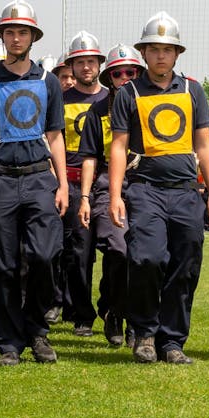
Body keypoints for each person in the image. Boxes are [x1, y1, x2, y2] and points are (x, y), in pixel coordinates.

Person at [107, 13, 209, 365]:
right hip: (145, 189)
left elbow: (204, 145)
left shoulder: (193, 90)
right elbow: (118, 146)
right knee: (147, 258)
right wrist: (114, 195)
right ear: (144, 53)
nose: (161, 56)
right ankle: (144, 332)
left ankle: (172, 341)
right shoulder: (128, 93)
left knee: (186, 263)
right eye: (154, 49)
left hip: (187, 191)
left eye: (167, 50)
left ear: (177, 54)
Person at [0, 0, 66, 365]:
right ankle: (9, 341)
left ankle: (37, 330)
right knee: (3, 264)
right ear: (2, 37)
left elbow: (55, 136)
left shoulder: (47, 81)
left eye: (22, 32)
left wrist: (63, 184)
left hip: (40, 178)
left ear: (33, 37)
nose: (16, 37)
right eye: (10, 32)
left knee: (43, 255)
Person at [75, 44, 139, 346]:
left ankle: (137, 319)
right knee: (119, 249)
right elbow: (88, 157)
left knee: (146, 257)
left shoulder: (152, 103)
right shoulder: (97, 112)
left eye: (131, 72)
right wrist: (85, 198)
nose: (124, 77)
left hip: (145, 185)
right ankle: (113, 309)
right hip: (105, 187)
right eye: (118, 73)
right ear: (109, 76)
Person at [57, 31, 108, 336]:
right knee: (79, 254)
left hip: (108, 183)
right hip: (73, 185)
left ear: (99, 64)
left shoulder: (111, 98)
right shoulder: (60, 101)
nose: (86, 67)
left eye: (91, 61)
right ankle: (82, 314)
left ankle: (112, 308)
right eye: (80, 63)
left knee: (117, 250)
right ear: (72, 67)